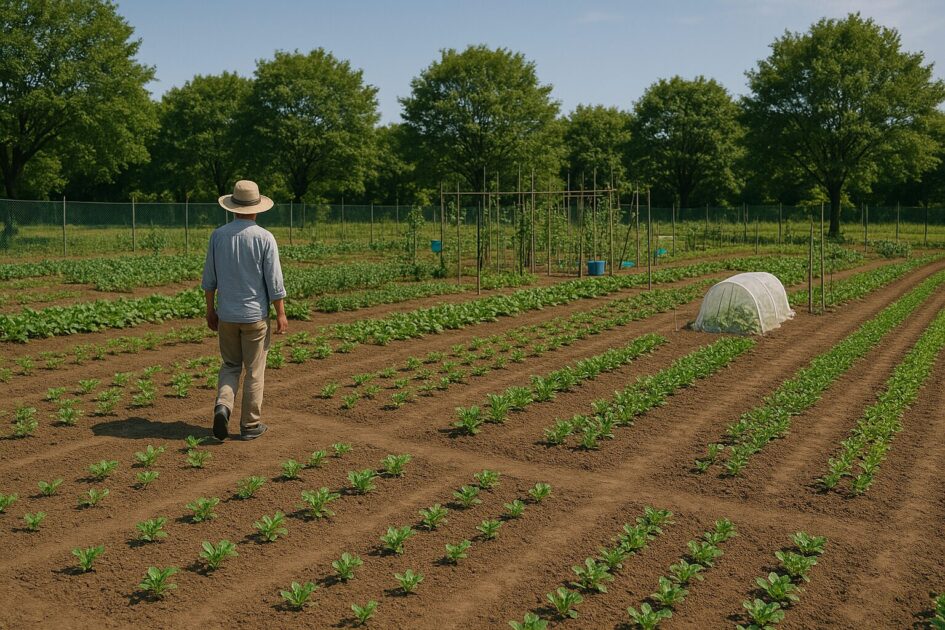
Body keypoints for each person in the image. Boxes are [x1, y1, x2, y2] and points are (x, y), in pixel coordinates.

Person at [201, 180, 288, 441]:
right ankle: (250, 425)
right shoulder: (264, 237)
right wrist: (281, 313)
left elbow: (209, 278)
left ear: (233, 207)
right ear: (257, 208)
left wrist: (210, 310)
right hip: (255, 316)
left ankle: (223, 406)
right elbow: (274, 281)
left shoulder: (218, 235)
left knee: (230, 365)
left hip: (226, 314)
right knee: (254, 370)